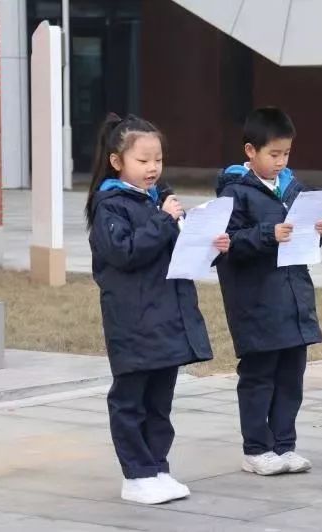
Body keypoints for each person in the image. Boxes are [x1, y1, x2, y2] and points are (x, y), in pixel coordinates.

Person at [85, 113, 230, 504]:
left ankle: (157, 466)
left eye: (158, 160)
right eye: (143, 160)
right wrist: (165, 221)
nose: (153, 168)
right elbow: (124, 252)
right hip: (133, 319)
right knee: (131, 399)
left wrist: (210, 247)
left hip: (166, 316)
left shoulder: (160, 202)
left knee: (160, 401)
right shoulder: (110, 205)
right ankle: (136, 473)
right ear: (117, 161)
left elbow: (178, 251)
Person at [214, 107, 322, 476]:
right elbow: (227, 243)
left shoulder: (294, 188)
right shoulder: (235, 192)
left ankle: (284, 444)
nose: (280, 162)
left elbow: (302, 242)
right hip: (256, 302)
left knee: (291, 377)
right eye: (273, 154)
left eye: (286, 154)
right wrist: (267, 234)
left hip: (293, 300)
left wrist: (318, 232)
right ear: (251, 151)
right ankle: (256, 448)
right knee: (259, 377)